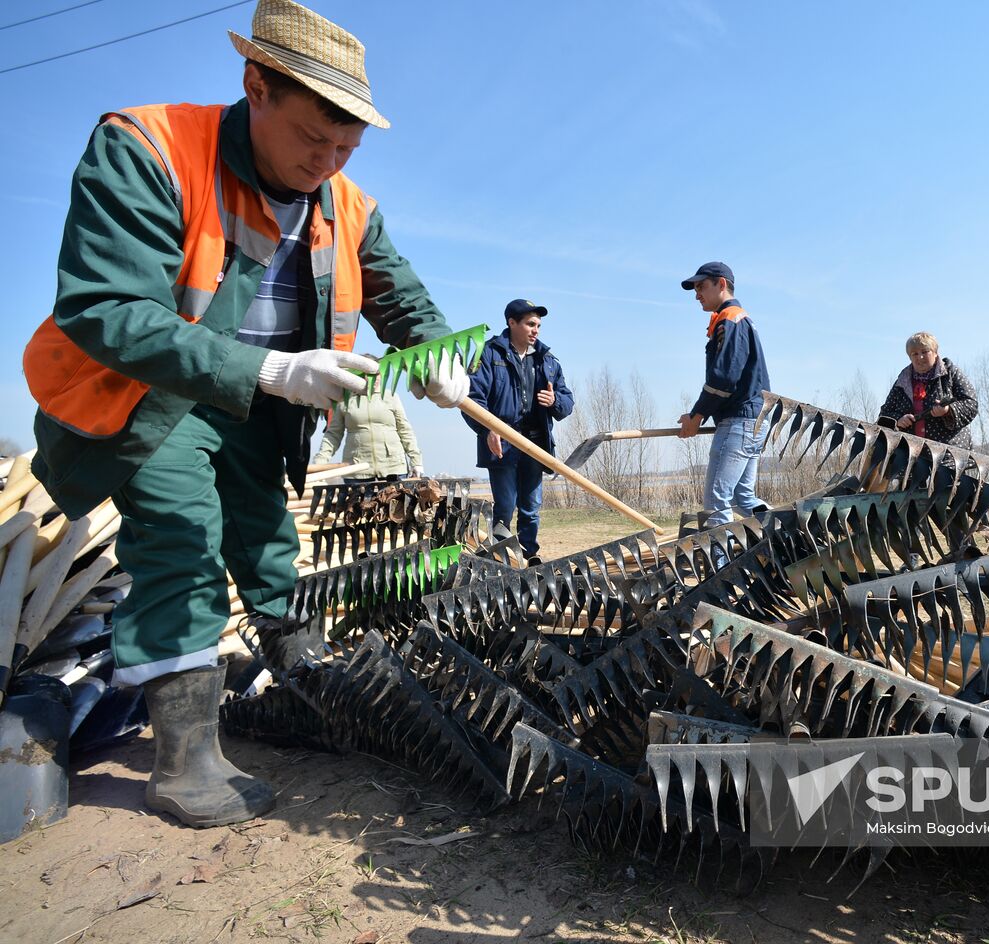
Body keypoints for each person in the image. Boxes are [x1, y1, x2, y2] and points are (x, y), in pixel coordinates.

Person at [21, 0, 471, 828]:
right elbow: (105, 307)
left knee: (264, 533)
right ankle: (184, 759)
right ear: (254, 85)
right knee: (183, 541)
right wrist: (266, 365)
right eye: (313, 139)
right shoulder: (147, 146)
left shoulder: (347, 201)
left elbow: (398, 292)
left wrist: (437, 354)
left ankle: (303, 672)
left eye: (346, 146)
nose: (327, 161)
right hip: (154, 395)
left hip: (260, 406)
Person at [464, 299, 574, 566]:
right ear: (511, 323)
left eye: (538, 325)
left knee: (531, 507)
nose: (535, 330)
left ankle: (529, 554)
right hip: (502, 442)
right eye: (529, 324)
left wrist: (554, 402)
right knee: (504, 505)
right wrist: (488, 428)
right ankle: (502, 557)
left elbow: (567, 400)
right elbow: (470, 399)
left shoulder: (547, 361)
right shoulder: (487, 355)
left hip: (535, 444)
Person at [676, 262, 772, 528]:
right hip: (753, 421)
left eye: (701, 287)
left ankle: (723, 568)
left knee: (717, 503)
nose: (696, 294)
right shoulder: (740, 320)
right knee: (744, 499)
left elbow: (724, 379)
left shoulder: (730, 319)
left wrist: (697, 416)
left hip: (738, 423)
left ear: (721, 284)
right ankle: (787, 537)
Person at [877, 332, 978, 449]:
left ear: (935, 353)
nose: (920, 357)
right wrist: (898, 420)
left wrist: (948, 410)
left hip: (949, 455)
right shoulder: (902, 381)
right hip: (909, 454)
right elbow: (885, 413)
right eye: (914, 354)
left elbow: (971, 404)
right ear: (909, 357)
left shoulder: (951, 373)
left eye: (925, 352)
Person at [312, 392, 425, 481]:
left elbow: (405, 430)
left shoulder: (391, 397)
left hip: (393, 467)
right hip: (357, 469)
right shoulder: (344, 400)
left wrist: (416, 461)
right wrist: (320, 462)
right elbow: (333, 434)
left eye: (376, 374)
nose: (372, 378)